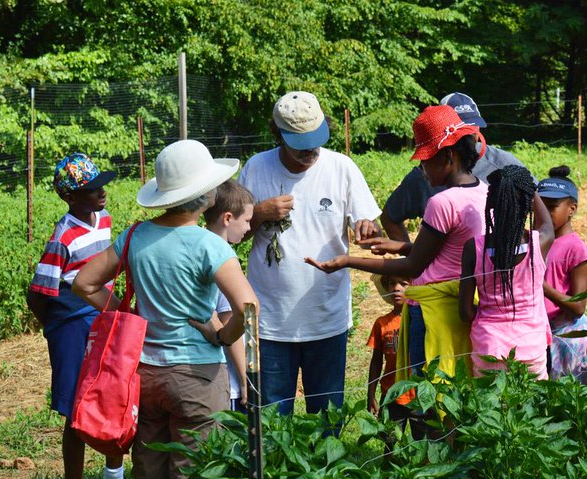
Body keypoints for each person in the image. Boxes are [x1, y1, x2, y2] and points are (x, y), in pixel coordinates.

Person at [72, 140, 258, 479]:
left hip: (145, 375)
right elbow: (247, 308)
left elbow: (84, 283)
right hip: (197, 377)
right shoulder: (209, 244)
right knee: (196, 478)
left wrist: (124, 314)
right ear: (204, 196)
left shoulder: (136, 235)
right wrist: (222, 336)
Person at [306, 105, 489, 381]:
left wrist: (347, 261)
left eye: (425, 160)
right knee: (457, 393)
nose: (422, 169)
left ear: (448, 156)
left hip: (433, 314)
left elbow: (415, 268)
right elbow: (452, 253)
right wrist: (399, 246)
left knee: (424, 401)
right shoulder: (483, 192)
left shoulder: (442, 202)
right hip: (463, 308)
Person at [238, 90, 382, 417]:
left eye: (315, 140)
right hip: (269, 322)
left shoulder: (341, 168)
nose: (310, 151)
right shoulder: (256, 168)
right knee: (271, 422)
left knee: (327, 418)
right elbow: (231, 238)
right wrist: (259, 213)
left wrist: (366, 228)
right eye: (300, 144)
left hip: (326, 318)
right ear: (279, 135)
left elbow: (370, 226)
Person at [26, 153, 133, 479]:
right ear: (69, 197)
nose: (101, 192)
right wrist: (56, 327)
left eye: (101, 184)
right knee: (76, 408)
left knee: (111, 395)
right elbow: (38, 293)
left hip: (103, 318)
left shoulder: (104, 219)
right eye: (90, 189)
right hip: (71, 325)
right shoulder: (63, 238)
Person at [381, 92, 529, 243]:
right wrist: (416, 260)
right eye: (459, 134)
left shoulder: (502, 164)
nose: (466, 139)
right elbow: (390, 217)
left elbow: (541, 204)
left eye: (471, 131)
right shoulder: (425, 175)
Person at [459, 165, 554, 378]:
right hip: (531, 349)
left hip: (488, 349)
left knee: (489, 409)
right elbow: (547, 224)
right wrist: (530, 189)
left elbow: (465, 313)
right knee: (532, 409)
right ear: (528, 204)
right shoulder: (539, 243)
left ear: (492, 203)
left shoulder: (474, 249)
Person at [538, 166, 587, 382]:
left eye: (552, 207)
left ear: (572, 209)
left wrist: (541, 286)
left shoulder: (575, 248)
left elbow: (579, 306)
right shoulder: (535, 240)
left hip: (569, 336)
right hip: (543, 332)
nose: (544, 213)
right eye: (539, 206)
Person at [202, 179, 255, 412]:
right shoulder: (222, 256)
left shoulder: (199, 245)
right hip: (228, 377)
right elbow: (228, 320)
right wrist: (246, 378)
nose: (248, 228)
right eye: (246, 221)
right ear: (227, 218)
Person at [366, 273, 427, 444]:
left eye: (403, 283)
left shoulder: (423, 320)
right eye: (392, 283)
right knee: (390, 442)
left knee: (423, 445)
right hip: (391, 395)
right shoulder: (382, 323)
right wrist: (371, 394)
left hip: (419, 397)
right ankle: (388, 469)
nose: (396, 288)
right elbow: (376, 360)